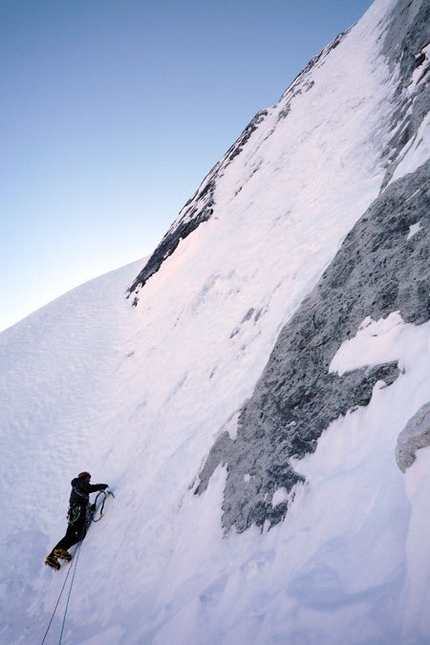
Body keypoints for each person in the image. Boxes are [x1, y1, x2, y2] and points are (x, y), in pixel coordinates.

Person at [45, 471, 109, 570]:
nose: (89, 480)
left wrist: (91, 508)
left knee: (75, 535)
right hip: (78, 511)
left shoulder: (77, 488)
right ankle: (59, 550)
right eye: (88, 478)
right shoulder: (81, 482)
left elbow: (83, 500)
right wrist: (102, 486)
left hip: (75, 513)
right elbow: (89, 488)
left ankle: (53, 556)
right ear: (84, 477)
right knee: (77, 534)